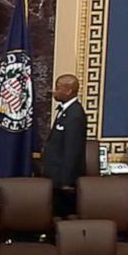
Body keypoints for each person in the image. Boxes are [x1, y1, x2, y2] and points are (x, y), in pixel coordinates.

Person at [43, 74, 87, 217]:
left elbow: (72, 151)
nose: (54, 91)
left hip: (64, 181)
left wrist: (66, 182)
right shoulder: (65, 111)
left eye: (57, 88)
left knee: (62, 216)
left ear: (68, 91)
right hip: (55, 177)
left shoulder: (75, 115)